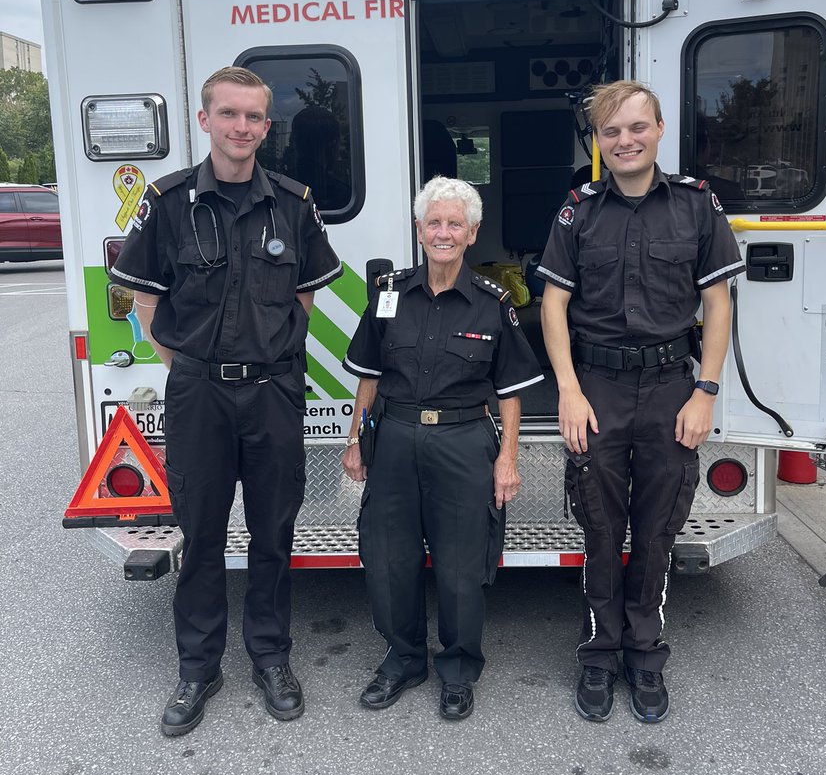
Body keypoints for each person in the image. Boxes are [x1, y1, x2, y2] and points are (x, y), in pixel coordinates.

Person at [110, 65, 342, 736]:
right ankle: (198, 667)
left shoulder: (294, 205)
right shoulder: (170, 200)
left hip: (271, 390)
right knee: (202, 535)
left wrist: (268, 354)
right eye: (230, 114)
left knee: (273, 534)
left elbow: (304, 295)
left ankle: (271, 657)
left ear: (268, 128)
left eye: (254, 117)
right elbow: (145, 297)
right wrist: (183, 365)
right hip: (199, 394)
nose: (242, 127)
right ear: (206, 120)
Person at [537, 80, 745, 724]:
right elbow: (553, 304)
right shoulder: (577, 212)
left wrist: (705, 391)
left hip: (668, 389)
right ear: (597, 142)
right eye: (611, 132)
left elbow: (717, 304)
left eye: (636, 128)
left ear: (658, 130)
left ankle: (645, 656)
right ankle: (599, 656)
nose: (624, 141)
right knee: (601, 527)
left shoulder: (696, 207)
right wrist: (568, 390)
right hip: (596, 388)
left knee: (655, 529)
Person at [340, 176, 543, 721]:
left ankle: (456, 669)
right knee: (387, 559)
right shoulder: (389, 294)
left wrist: (508, 459)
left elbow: (510, 393)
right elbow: (369, 374)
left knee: (460, 566)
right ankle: (404, 658)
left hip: (463, 442)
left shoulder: (492, 304)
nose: (444, 233)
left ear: (473, 233)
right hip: (396, 437)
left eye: (455, 223)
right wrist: (356, 439)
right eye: (435, 222)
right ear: (419, 230)